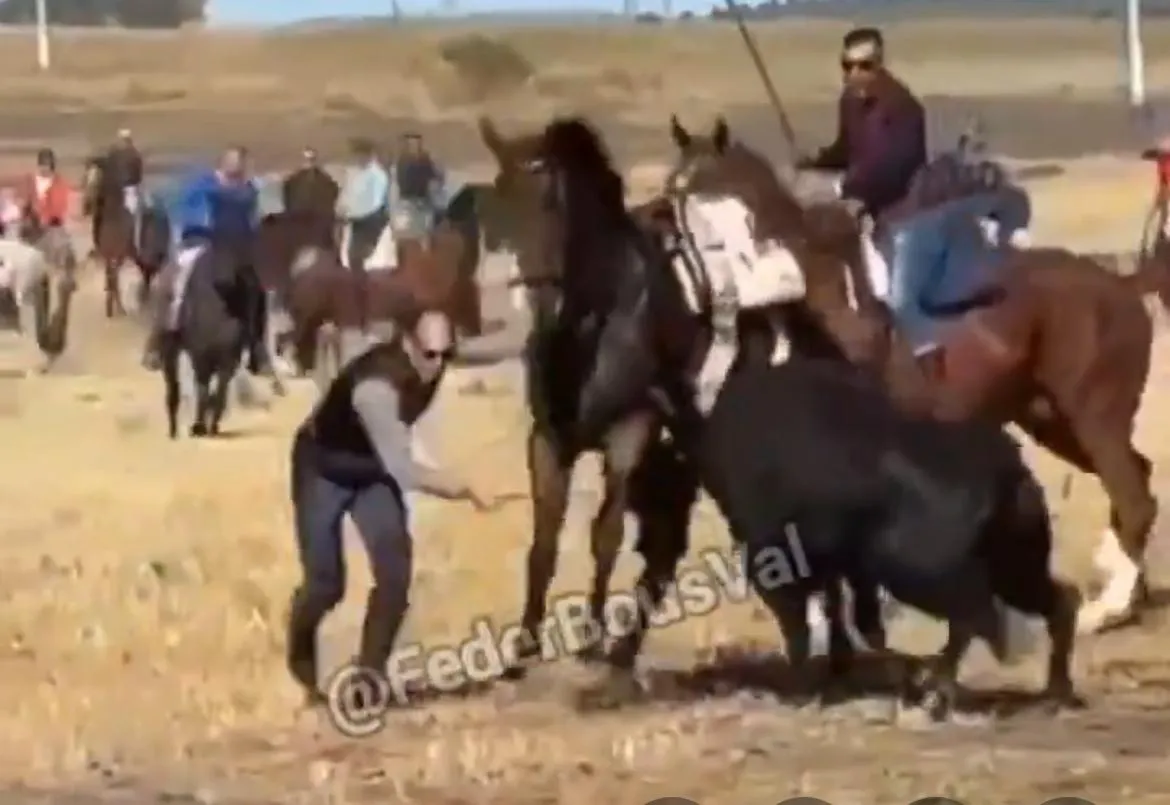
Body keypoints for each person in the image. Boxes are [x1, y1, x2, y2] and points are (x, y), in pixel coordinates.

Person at [286, 306, 496, 705]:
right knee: (326, 585)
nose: (438, 367)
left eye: (447, 355)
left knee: (395, 575)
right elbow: (402, 469)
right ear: (409, 345)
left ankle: (369, 679)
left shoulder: (428, 367)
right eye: (431, 355)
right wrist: (463, 486)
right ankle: (301, 663)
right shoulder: (376, 388)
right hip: (323, 468)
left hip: (371, 471)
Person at [142, 147, 263, 370]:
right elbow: (185, 210)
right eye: (232, 161)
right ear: (223, 162)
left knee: (257, 288)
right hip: (200, 242)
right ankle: (163, 336)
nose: (236, 167)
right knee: (172, 282)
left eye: (240, 163)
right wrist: (202, 225)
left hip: (236, 251)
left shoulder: (247, 190)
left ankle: (258, 348)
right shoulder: (203, 185)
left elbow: (253, 222)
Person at [797, 27, 926, 219]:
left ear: (879, 64)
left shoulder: (904, 108)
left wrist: (839, 188)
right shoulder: (850, 99)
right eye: (848, 66)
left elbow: (891, 170)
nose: (855, 73)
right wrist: (816, 164)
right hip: (855, 196)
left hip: (898, 212)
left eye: (865, 65)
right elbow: (846, 150)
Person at [18, 148, 75, 272]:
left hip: (52, 225)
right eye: (42, 165)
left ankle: (62, 273)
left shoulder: (60, 183)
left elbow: (59, 206)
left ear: (52, 166)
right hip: (31, 224)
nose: (44, 168)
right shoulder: (30, 180)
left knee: (61, 243)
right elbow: (22, 198)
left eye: (47, 165)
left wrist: (46, 218)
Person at [337, 138, 390, 272]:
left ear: (370, 156)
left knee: (361, 258)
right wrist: (341, 208)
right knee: (349, 256)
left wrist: (350, 214)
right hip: (354, 221)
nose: (358, 159)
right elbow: (346, 194)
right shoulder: (353, 173)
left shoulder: (378, 175)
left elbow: (374, 203)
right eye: (357, 155)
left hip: (371, 221)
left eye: (362, 155)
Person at [390, 132, 444, 239]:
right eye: (410, 144)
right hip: (410, 199)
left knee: (423, 227)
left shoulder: (421, 159)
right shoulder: (403, 160)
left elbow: (436, 177)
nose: (413, 147)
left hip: (418, 199)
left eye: (415, 144)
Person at [105, 128, 146, 252]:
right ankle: (133, 243)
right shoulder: (135, 154)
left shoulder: (113, 153)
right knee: (133, 215)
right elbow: (138, 175)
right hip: (128, 188)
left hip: (118, 188)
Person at [282, 146, 339, 222]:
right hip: (314, 215)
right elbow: (334, 191)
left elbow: (287, 192)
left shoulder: (294, 180)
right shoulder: (325, 181)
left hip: (301, 214)